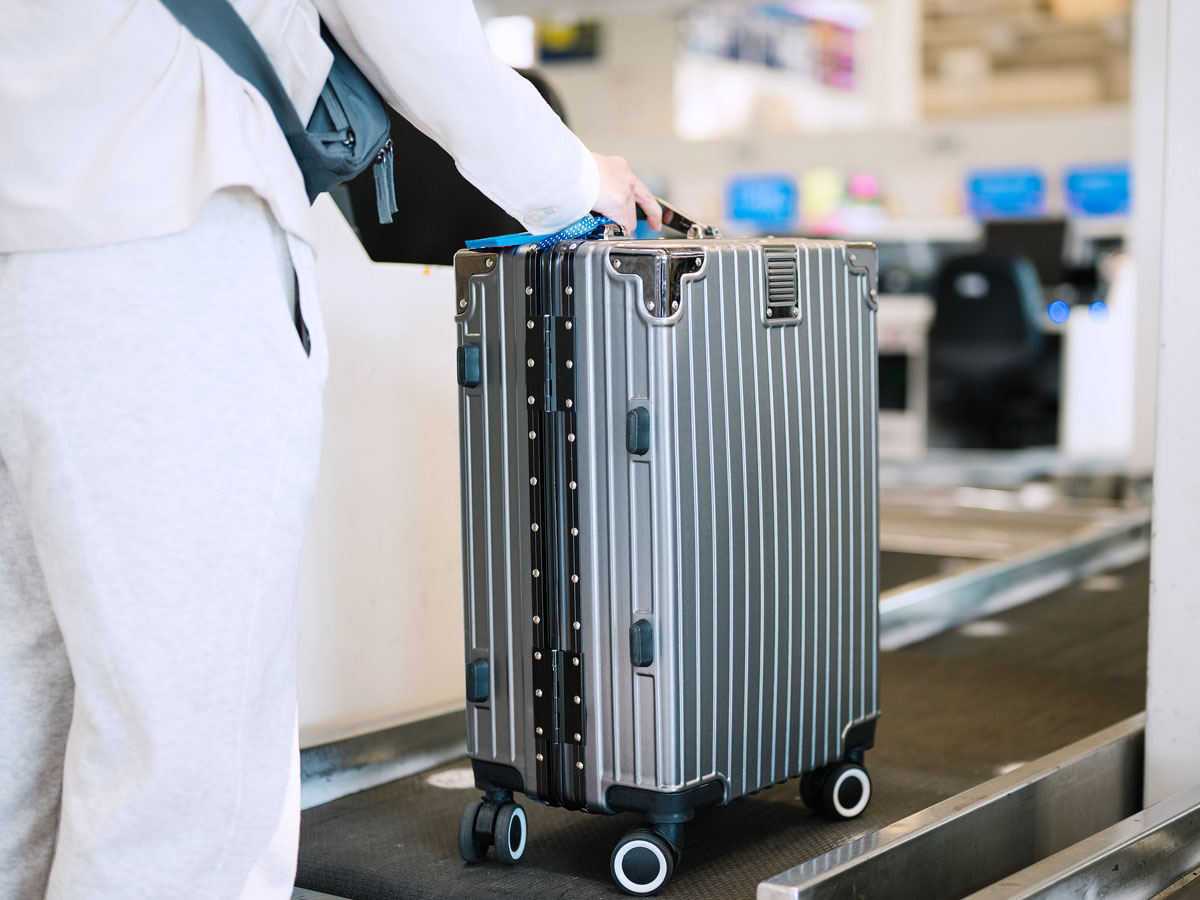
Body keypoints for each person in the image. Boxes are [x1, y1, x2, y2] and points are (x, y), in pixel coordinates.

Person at [0, 2, 662, 898]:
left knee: (29, 715)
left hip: (30, 225)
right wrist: (570, 175)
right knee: (188, 750)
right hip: (160, 225)